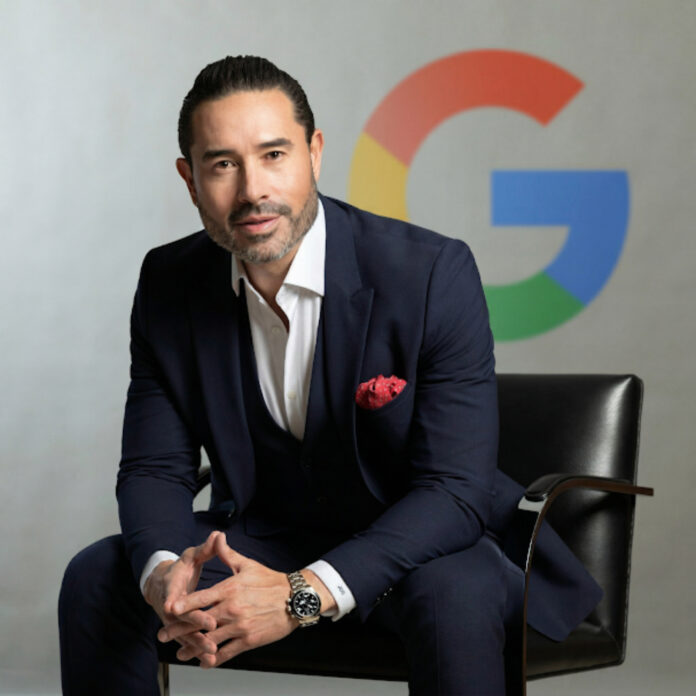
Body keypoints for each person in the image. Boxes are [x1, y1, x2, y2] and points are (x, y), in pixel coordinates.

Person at [58, 55, 601, 695]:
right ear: (190, 179)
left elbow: (454, 489)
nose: (252, 190)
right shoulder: (168, 282)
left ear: (314, 153)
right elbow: (154, 467)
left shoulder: (430, 273)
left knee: (452, 593)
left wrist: (300, 595)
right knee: (100, 577)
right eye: (223, 164)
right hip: (267, 535)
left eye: (274, 155)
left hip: (425, 545)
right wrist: (165, 574)